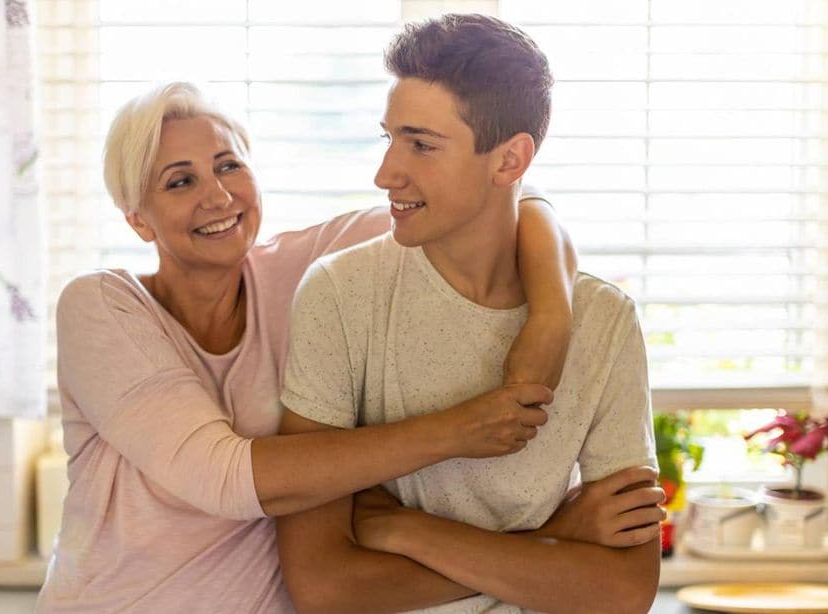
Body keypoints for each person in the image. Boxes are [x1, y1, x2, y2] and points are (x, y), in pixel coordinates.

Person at [35, 79, 580, 612]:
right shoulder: (102, 306)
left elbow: (497, 199)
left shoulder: (304, 271)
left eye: (229, 166)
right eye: (180, 182)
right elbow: (222, 477)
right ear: (137, 221)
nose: (218, 196)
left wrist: (552, 315)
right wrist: (462, 432)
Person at [277, 14, 663, 614]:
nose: (385, 174)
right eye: (389, 139)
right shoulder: (340, 294)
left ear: (509, 162)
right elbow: (325, 587)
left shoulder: (604, 320)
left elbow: (624, 590)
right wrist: (552, 545)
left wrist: (402, 529)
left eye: (422, 145)